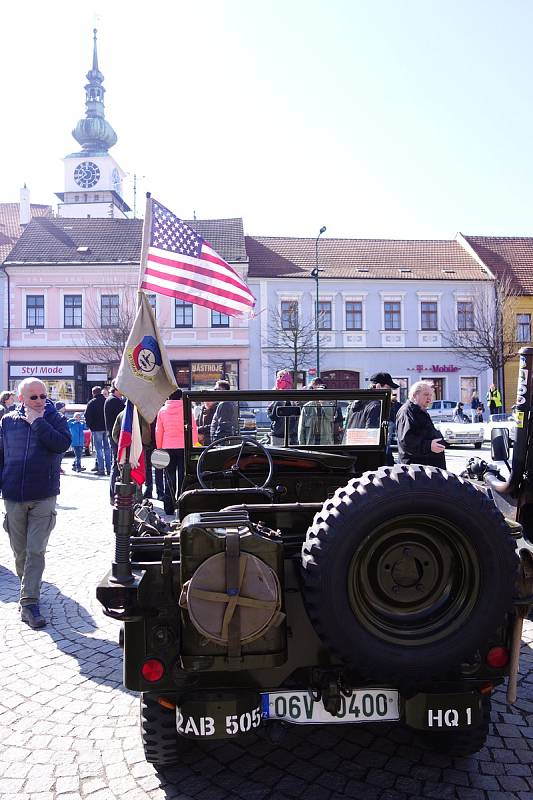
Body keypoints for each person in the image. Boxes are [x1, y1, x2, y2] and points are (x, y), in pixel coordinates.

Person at [0, 378, 71, 628]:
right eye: (34, 397)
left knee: (35, 550)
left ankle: (30, 602)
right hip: (13, 495)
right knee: (20, 552)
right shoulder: (7, 422)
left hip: (43, 494)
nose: (40, 401)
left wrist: (38, 422)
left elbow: (62, 444)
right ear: (21, 399)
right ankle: (27, 586)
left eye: (43, 396)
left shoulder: (54, 419)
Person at [155, 389, 192, 515]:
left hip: (167, 447)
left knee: (169, 478)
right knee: (183, 477)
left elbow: (159, 431)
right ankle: (183, 505)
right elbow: (193, 428)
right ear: (181, 397)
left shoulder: (162, 410)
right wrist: (193, 444)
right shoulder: (186, 409)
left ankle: (169, 507)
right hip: (183, 447)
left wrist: (159, 447)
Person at [396, 380, 447, 469]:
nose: (429, 398)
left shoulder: (420, 410)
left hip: (427, 468)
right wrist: (428, 446)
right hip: (416, 471)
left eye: (431, 395)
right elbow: (406, 441)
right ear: (414, 395)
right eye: (426, 394)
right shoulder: (407, 412)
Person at [104, 383, 125, 502]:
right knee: (116, 464)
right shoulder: (114, 401)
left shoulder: (113, 400)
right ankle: (113, 494)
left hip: (114, 436)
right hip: (116, 437)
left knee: (116, 464)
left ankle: (114, 494)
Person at [84, 386, 111, 476]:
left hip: (96, 429)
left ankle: (101, 469)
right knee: (107, 449)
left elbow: (87, 416)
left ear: (93, 393)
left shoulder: (91, 403)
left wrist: (90, 426)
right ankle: (109, 469)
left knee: (99, 449)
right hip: (107, 428)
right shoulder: (107, 401)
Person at [267, 370, 298, 446]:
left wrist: (269, 410)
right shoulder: (293, 397)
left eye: (280, 377)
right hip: (290, 433)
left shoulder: (278, 397)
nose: (279, 379)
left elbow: (272, 416)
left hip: (278, 432)